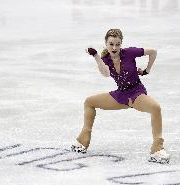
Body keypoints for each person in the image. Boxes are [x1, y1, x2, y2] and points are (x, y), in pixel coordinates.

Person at [71, 29, 170, 164]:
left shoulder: (129, 53)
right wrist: (96, 57)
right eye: (111, 44)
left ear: (121, 44)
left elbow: (153, 52)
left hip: (136, 93)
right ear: (106, 43)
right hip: (121, 95)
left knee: (155, 108)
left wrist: (147, 70)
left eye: (117, 44)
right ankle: (83, 139)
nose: (114, 47)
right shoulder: (105, 59)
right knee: (89, 102)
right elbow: (105, 73)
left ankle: (157, 148)